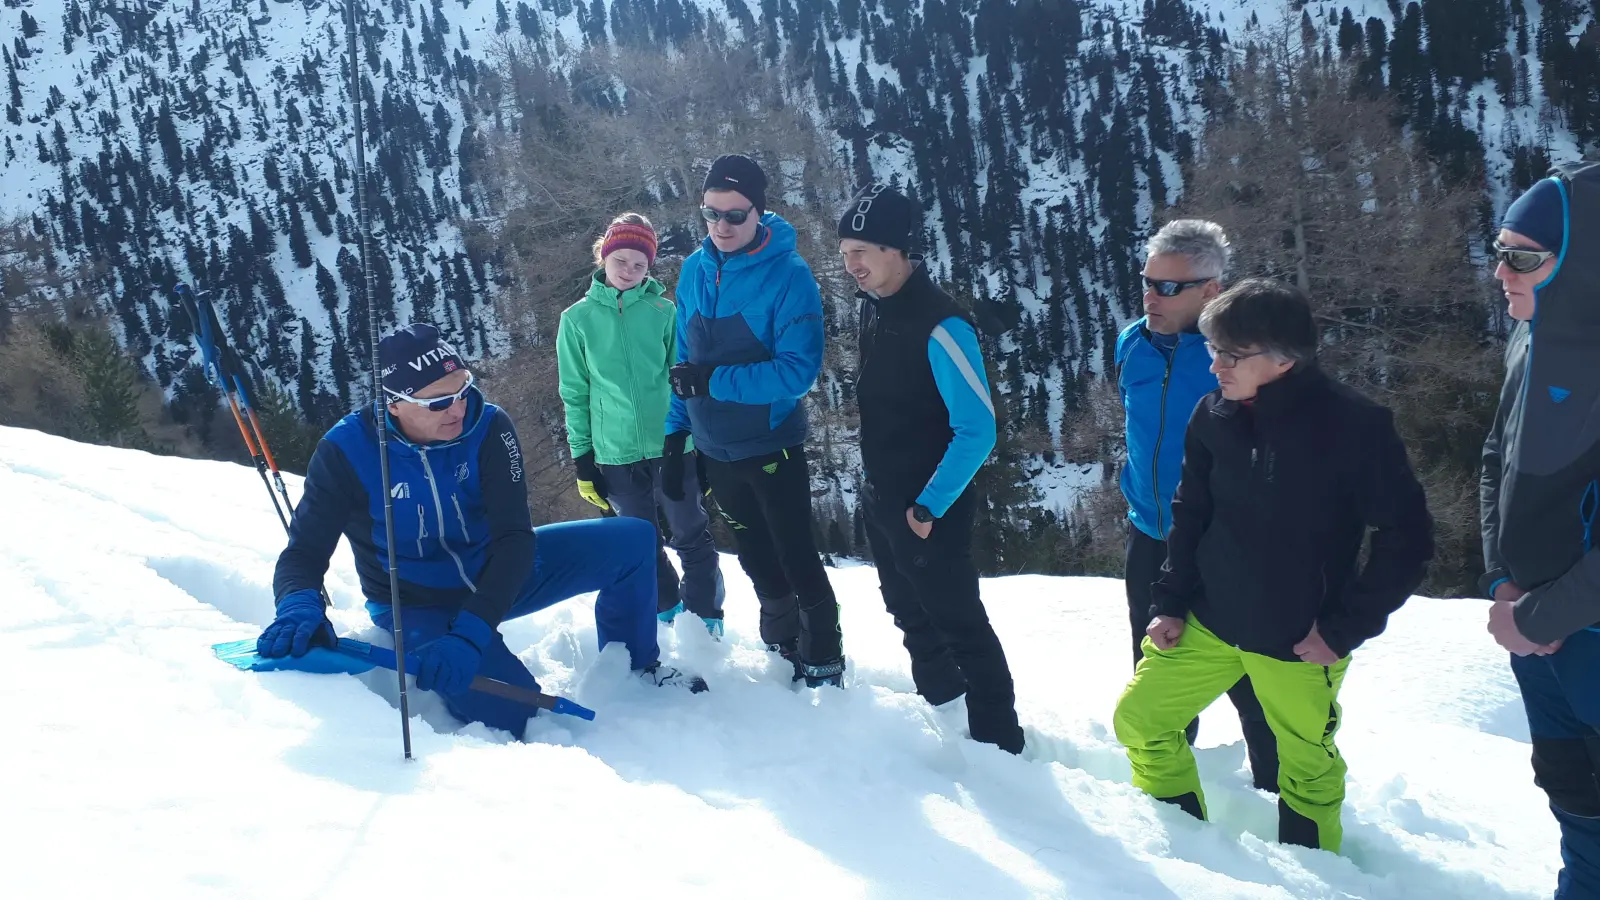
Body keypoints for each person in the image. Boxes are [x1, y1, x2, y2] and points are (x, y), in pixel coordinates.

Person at [257, 323, 705, 740]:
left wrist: (473, 628)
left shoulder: (487, 426)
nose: (457, 408)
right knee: (516, 716)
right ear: (393, 403)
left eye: (462, 390)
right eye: (438, 402)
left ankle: (634, 667)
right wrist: (298, 605)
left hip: (496, 575)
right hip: (415, 603)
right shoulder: (346, 451)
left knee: (633, 540)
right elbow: (304, 553)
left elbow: (514, 538)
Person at [1113, 279, 1433, 854]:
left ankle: (1314, 881)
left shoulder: (1354, 426)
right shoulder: (1213, 414)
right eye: (1213, 351)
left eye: (1231, 356)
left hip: (1299, 637)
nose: (1215, 367)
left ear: (1285, 359)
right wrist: (1170, 601)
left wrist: (1344, 628)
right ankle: (1188, 854)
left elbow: (1406, 537)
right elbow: (1191, 513)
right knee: (1141, 721)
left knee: (1305, 771)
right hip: (1208, 620)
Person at [837, 182, 1024, 754]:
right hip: (884, 497)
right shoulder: (876, 311)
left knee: (960, 624)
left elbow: (978, 429)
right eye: (845, 254)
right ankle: (945, 713)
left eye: (861, 253)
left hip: (926, 509)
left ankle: (999, 746)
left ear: (898, 250)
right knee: (908, 613)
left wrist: (927, 506)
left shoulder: (943, 326)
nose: (851, 267)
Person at [664, 152, 845, 688]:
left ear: (760, 214)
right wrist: (677, 435)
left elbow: (796, 372)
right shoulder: (695, 270)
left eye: (735, 215)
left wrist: (712, 383)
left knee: (795, 553)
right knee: (755, 556)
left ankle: (825, 656)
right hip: (715, 452)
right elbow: (682, 365)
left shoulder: (789, 275)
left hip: (771, 447)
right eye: (711, 213)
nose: (721, 226)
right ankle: (781, 644)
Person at [1114, 219, 1278, 789]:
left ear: (1212, 290)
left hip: (1221, 547)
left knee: (1250, 684)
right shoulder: (1132, 342)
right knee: (1156, 675)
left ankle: (1278, 802)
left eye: (1168, 287)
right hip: (1150, 535)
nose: (1150, 297)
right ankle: (1167, 805)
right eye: (1146, 282)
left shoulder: (1242, 359)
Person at [1481, 168, 1600, 899]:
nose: (1500, 271)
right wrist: (1502, 582)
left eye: (1524, 256)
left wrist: (1534, 617)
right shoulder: (1531, 337)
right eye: (1500, 249)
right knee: (1574, 806)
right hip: (1536, 640)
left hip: (1571, 636)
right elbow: (1496, 456)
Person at [557, 212, 726, 635]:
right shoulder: (576, 320)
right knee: (639, 541)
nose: (630, 271)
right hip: (614, 453)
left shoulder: (664, 312)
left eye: (640, 264)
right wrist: (583, 458)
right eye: (622, 261)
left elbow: (685, 379)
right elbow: (575, 393)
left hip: (673, 445)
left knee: (692, 532)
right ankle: (665, 609)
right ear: (605, 257)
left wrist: (698, 443)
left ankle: (706, 615)